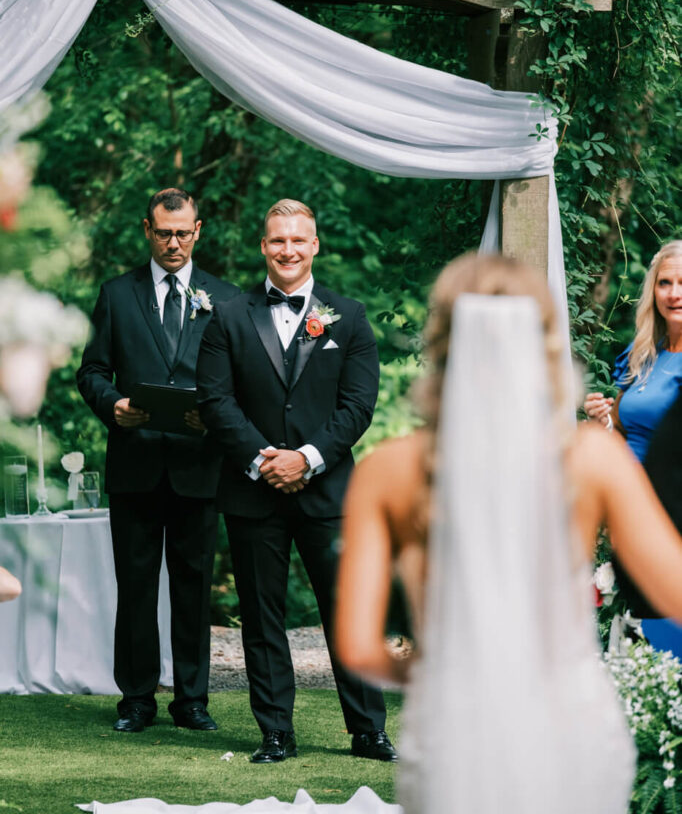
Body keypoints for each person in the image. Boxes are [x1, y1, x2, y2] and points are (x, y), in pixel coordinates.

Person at [335, 253, 682, 814]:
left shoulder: (387, 470)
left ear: (441, 342)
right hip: (571, 731)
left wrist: (453, 664)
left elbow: (357, 646)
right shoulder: (592, 459)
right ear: (544, 341)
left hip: (452, 737)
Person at [196, 199, 396, 764]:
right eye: (277, 240)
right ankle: (275, 732)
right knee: (262, 617)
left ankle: (367, 730)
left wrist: (306, 457)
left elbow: (357, 406)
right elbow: (216, 400)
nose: (288, 250)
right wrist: (264, 460)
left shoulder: (349, 317)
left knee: (349, 609)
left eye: (298, 240)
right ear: (264, 246)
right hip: (253, 490)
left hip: (329, 492)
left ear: (315, 246)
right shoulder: (229, 316)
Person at [77, 187, 239, 733]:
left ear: (199, 231)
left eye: (183, 232)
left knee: (193, 589)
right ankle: (137, 698)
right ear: (147, 230)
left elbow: (239, 382)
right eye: (164, 232)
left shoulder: (226, 297)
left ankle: (192, 700)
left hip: (198, 465)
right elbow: (92, 371)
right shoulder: (117, 295)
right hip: (136, 462)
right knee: (137, 586)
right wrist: (112, 404)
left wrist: (213, 419)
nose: (174, 242)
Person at [584, 240, 682, 460]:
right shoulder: (641, 353)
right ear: (653, 291)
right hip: (621, 478)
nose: (674, 293)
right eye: (664, 282)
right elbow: (619, 428)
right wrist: (603, 421)